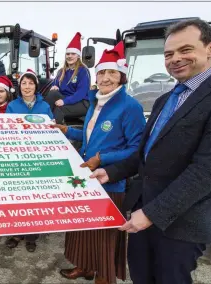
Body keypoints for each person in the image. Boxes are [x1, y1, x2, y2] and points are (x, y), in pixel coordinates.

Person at [90, 19, 211, 284]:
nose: (175, 59)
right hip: (144, 209)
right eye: (169, 54)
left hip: (182, 222)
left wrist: (153, 214)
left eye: (185, 50)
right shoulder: (166, 99)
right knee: (141, 277)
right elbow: (146, 154)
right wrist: (111, 171)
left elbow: (207, 171)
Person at [53, 41, 146, 284]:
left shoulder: (130, 106)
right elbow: (90, 137)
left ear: (122, 77)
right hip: (86, 177)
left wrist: (102, 159)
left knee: (104, 237)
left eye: (111, 72)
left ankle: (103, 276)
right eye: (102, 72)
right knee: (83, 230)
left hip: (110, 182)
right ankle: (85, 267)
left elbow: (136, 149)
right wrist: (67, 130)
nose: (105, 77)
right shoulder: (96, 101)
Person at [5, 69, 53, 252]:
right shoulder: (12, 106)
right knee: (18, 198)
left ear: (36, 86)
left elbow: (50, 131)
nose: (27, 87)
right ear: (19, 86)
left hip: (38, 157)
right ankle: (16, 233)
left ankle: (32, 235)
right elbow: (7, 132)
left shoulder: (45, 107)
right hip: (18, 157)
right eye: (24, 83)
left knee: (35, 198)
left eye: (30, 83)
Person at [45, 32, 90, 124]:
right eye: (68, 54)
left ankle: (52, 129)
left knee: (59, 108)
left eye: (73, 54)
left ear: (78, 56)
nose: (70, 56)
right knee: (52, 93)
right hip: (65, 98)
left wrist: (64, 101)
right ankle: (41, 118)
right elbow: (55, 83)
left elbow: (81, 93)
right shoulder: (61, 71)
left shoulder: (83, 71)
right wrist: (54, 86)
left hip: (81, 102)